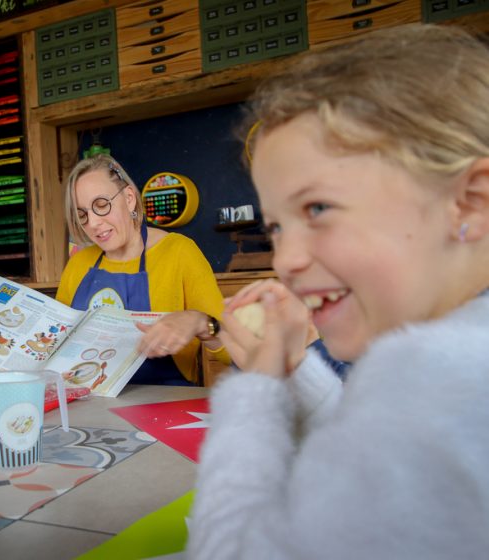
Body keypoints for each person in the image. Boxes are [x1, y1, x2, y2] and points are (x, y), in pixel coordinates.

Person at [188, 23, 489, 559]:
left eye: (318, 209)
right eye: (277, 227)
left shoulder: (430, 372)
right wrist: (292, 366)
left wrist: (257, 389)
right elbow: (384, 454)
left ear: (470, 202)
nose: (285, 260)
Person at [56, 154, 230, 385]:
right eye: (82, 215)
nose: (93, 223)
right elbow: (56, 344)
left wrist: (200, 322)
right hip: (90, 401)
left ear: (129, 198)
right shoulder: (79, 263)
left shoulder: (179, 252)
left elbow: (233, 352)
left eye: (101, 205)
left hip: (165, 403)